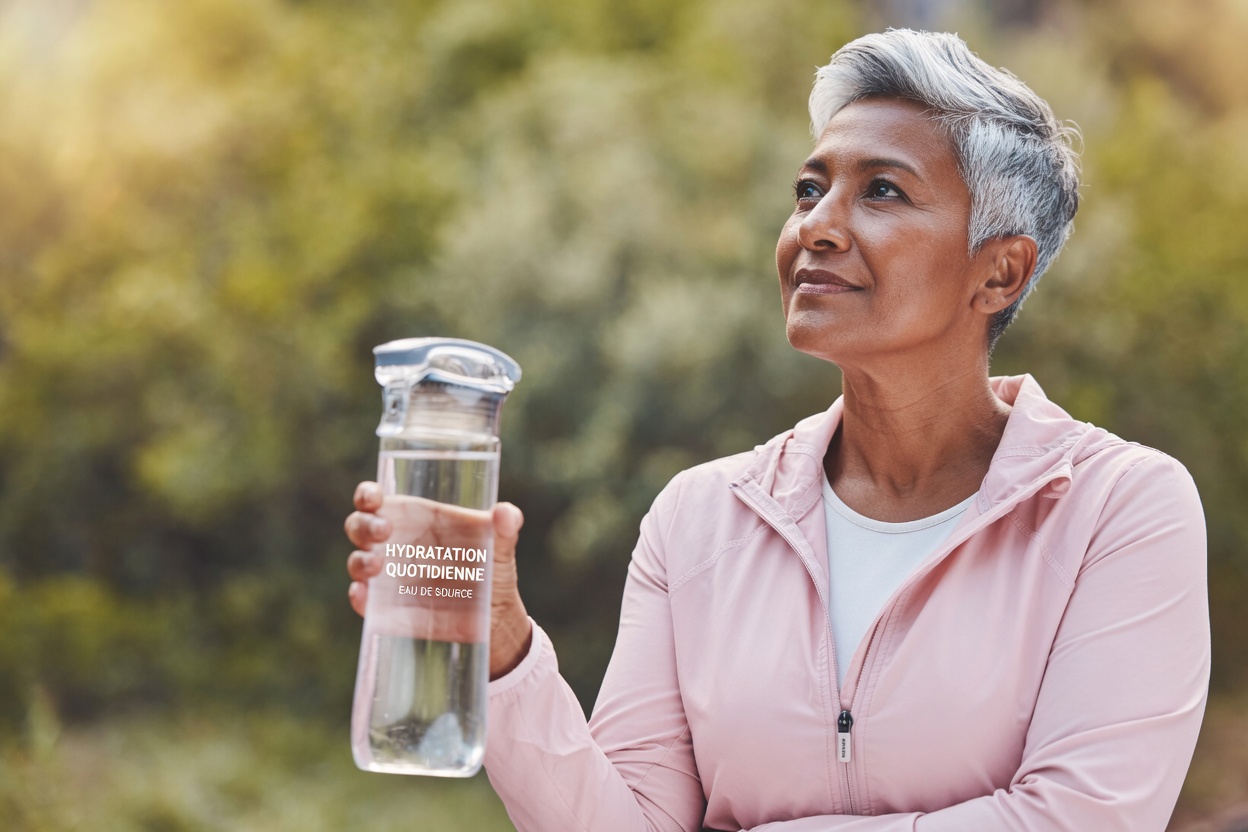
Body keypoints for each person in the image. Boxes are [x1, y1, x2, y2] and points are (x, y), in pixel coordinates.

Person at [345, 29, 1209, 832]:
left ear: (1000, 272)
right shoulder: (699, 519)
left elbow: (1081, 820)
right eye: (809, 189)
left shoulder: (1119, 508)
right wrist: (504, 654)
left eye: (881, 190)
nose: (816, 227)